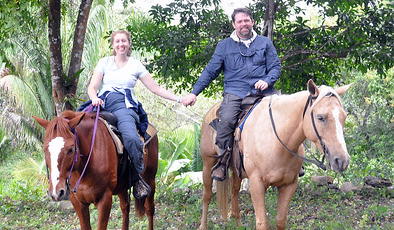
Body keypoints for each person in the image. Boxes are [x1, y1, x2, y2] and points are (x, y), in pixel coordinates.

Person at [181, 8, 281, 181]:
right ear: (234, 25)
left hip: (264, 92)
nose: (244, 24)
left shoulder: (265, 43)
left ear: (252, 22)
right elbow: (210, 71)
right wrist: (193, 93)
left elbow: (275, 67)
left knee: (288, 115)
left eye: (247, 20)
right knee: (226, 121)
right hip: (236, 93)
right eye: (240, 21)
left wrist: (266, 80)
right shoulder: (224, 46)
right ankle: (222, 162)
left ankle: (293, 159)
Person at [87, 30, 184, 199]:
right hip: (102, 103)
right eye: (117, 41)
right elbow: (92, 86)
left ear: (129, 44)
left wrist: (179, 99)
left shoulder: (136, 65)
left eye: (124, 41)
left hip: (124, 105)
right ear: (113, 45)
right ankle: (69, 179)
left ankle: (137, 178)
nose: (121, 44)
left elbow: (156, 88)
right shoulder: (105, 62)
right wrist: (94, 98)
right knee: (73, 130)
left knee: (131, 138)